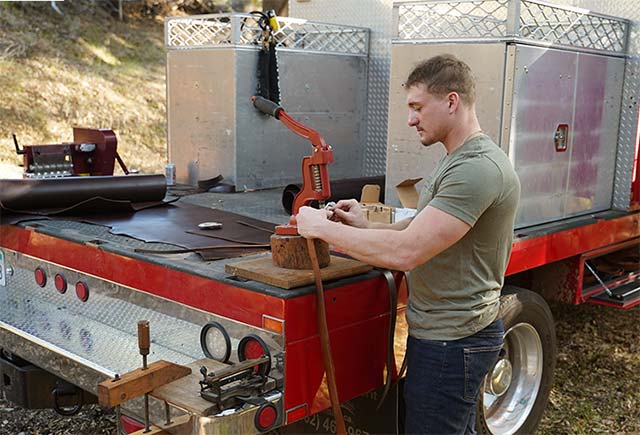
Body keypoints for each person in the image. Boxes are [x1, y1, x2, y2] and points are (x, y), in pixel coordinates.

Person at [295, 54, 521, 434]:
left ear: (451, 101)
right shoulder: (456, 160)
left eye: (417, 107)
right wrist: (362, 224)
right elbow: (421, 228)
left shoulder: (476, 169)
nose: (411, 119)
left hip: (452, 341)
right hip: (447, 335)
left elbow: (408, 253)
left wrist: (319, 227)